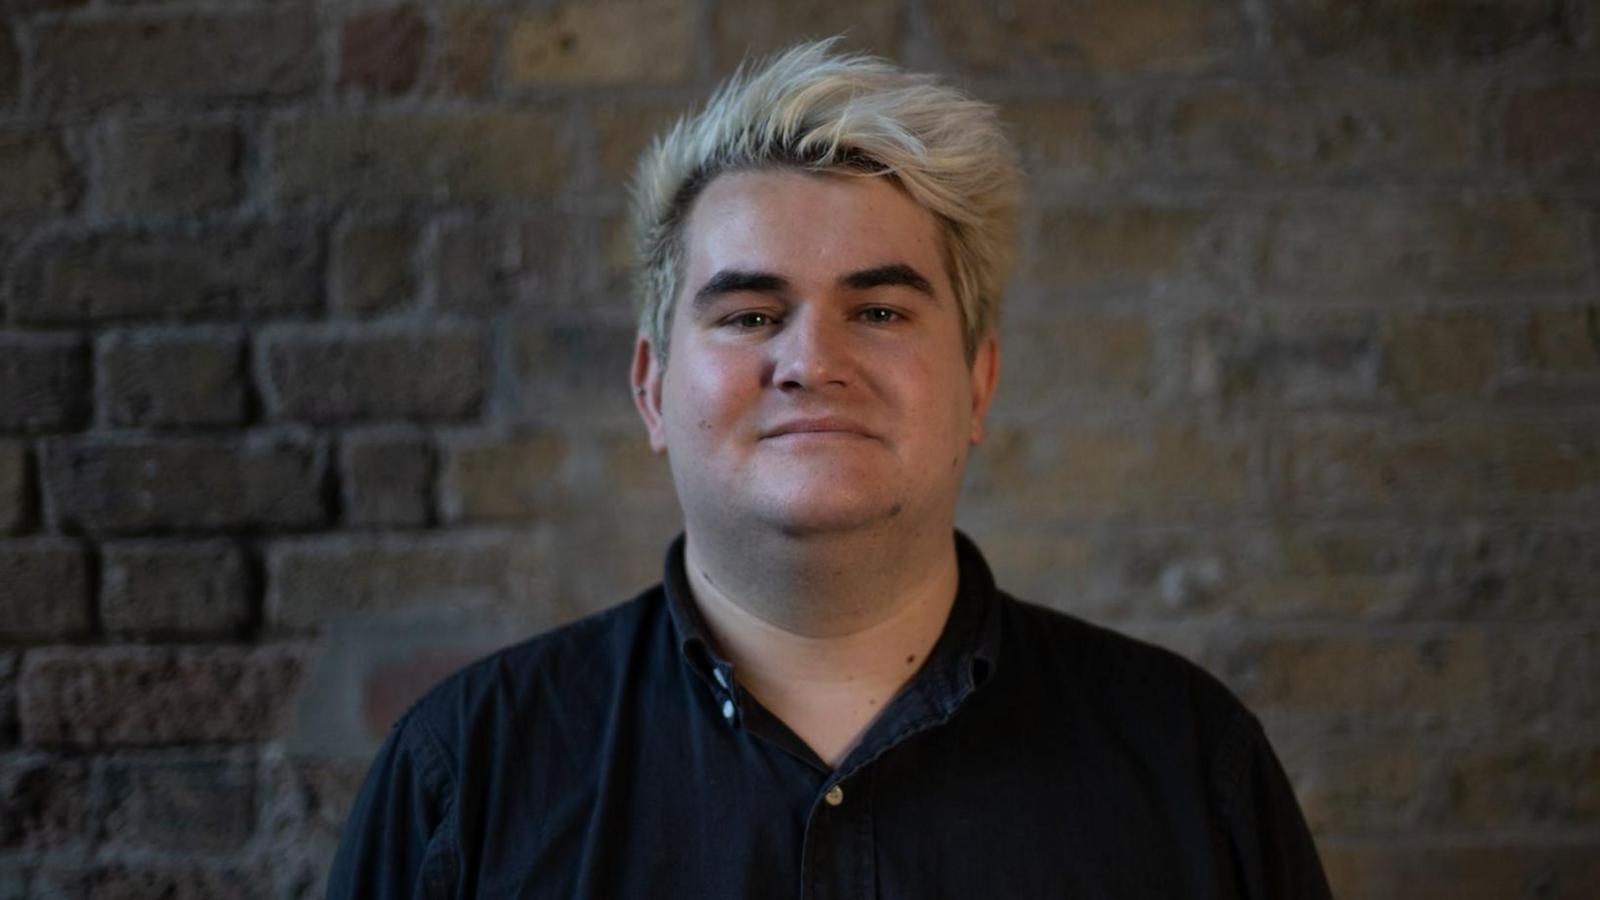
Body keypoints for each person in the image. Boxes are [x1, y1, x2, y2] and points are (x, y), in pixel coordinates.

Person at [326, 40, 1332, 899]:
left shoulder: (1189, 761)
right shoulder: (463, 779)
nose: (812, 362)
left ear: (977, 383)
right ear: (651, 388)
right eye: (751, 314)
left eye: (882, 311)